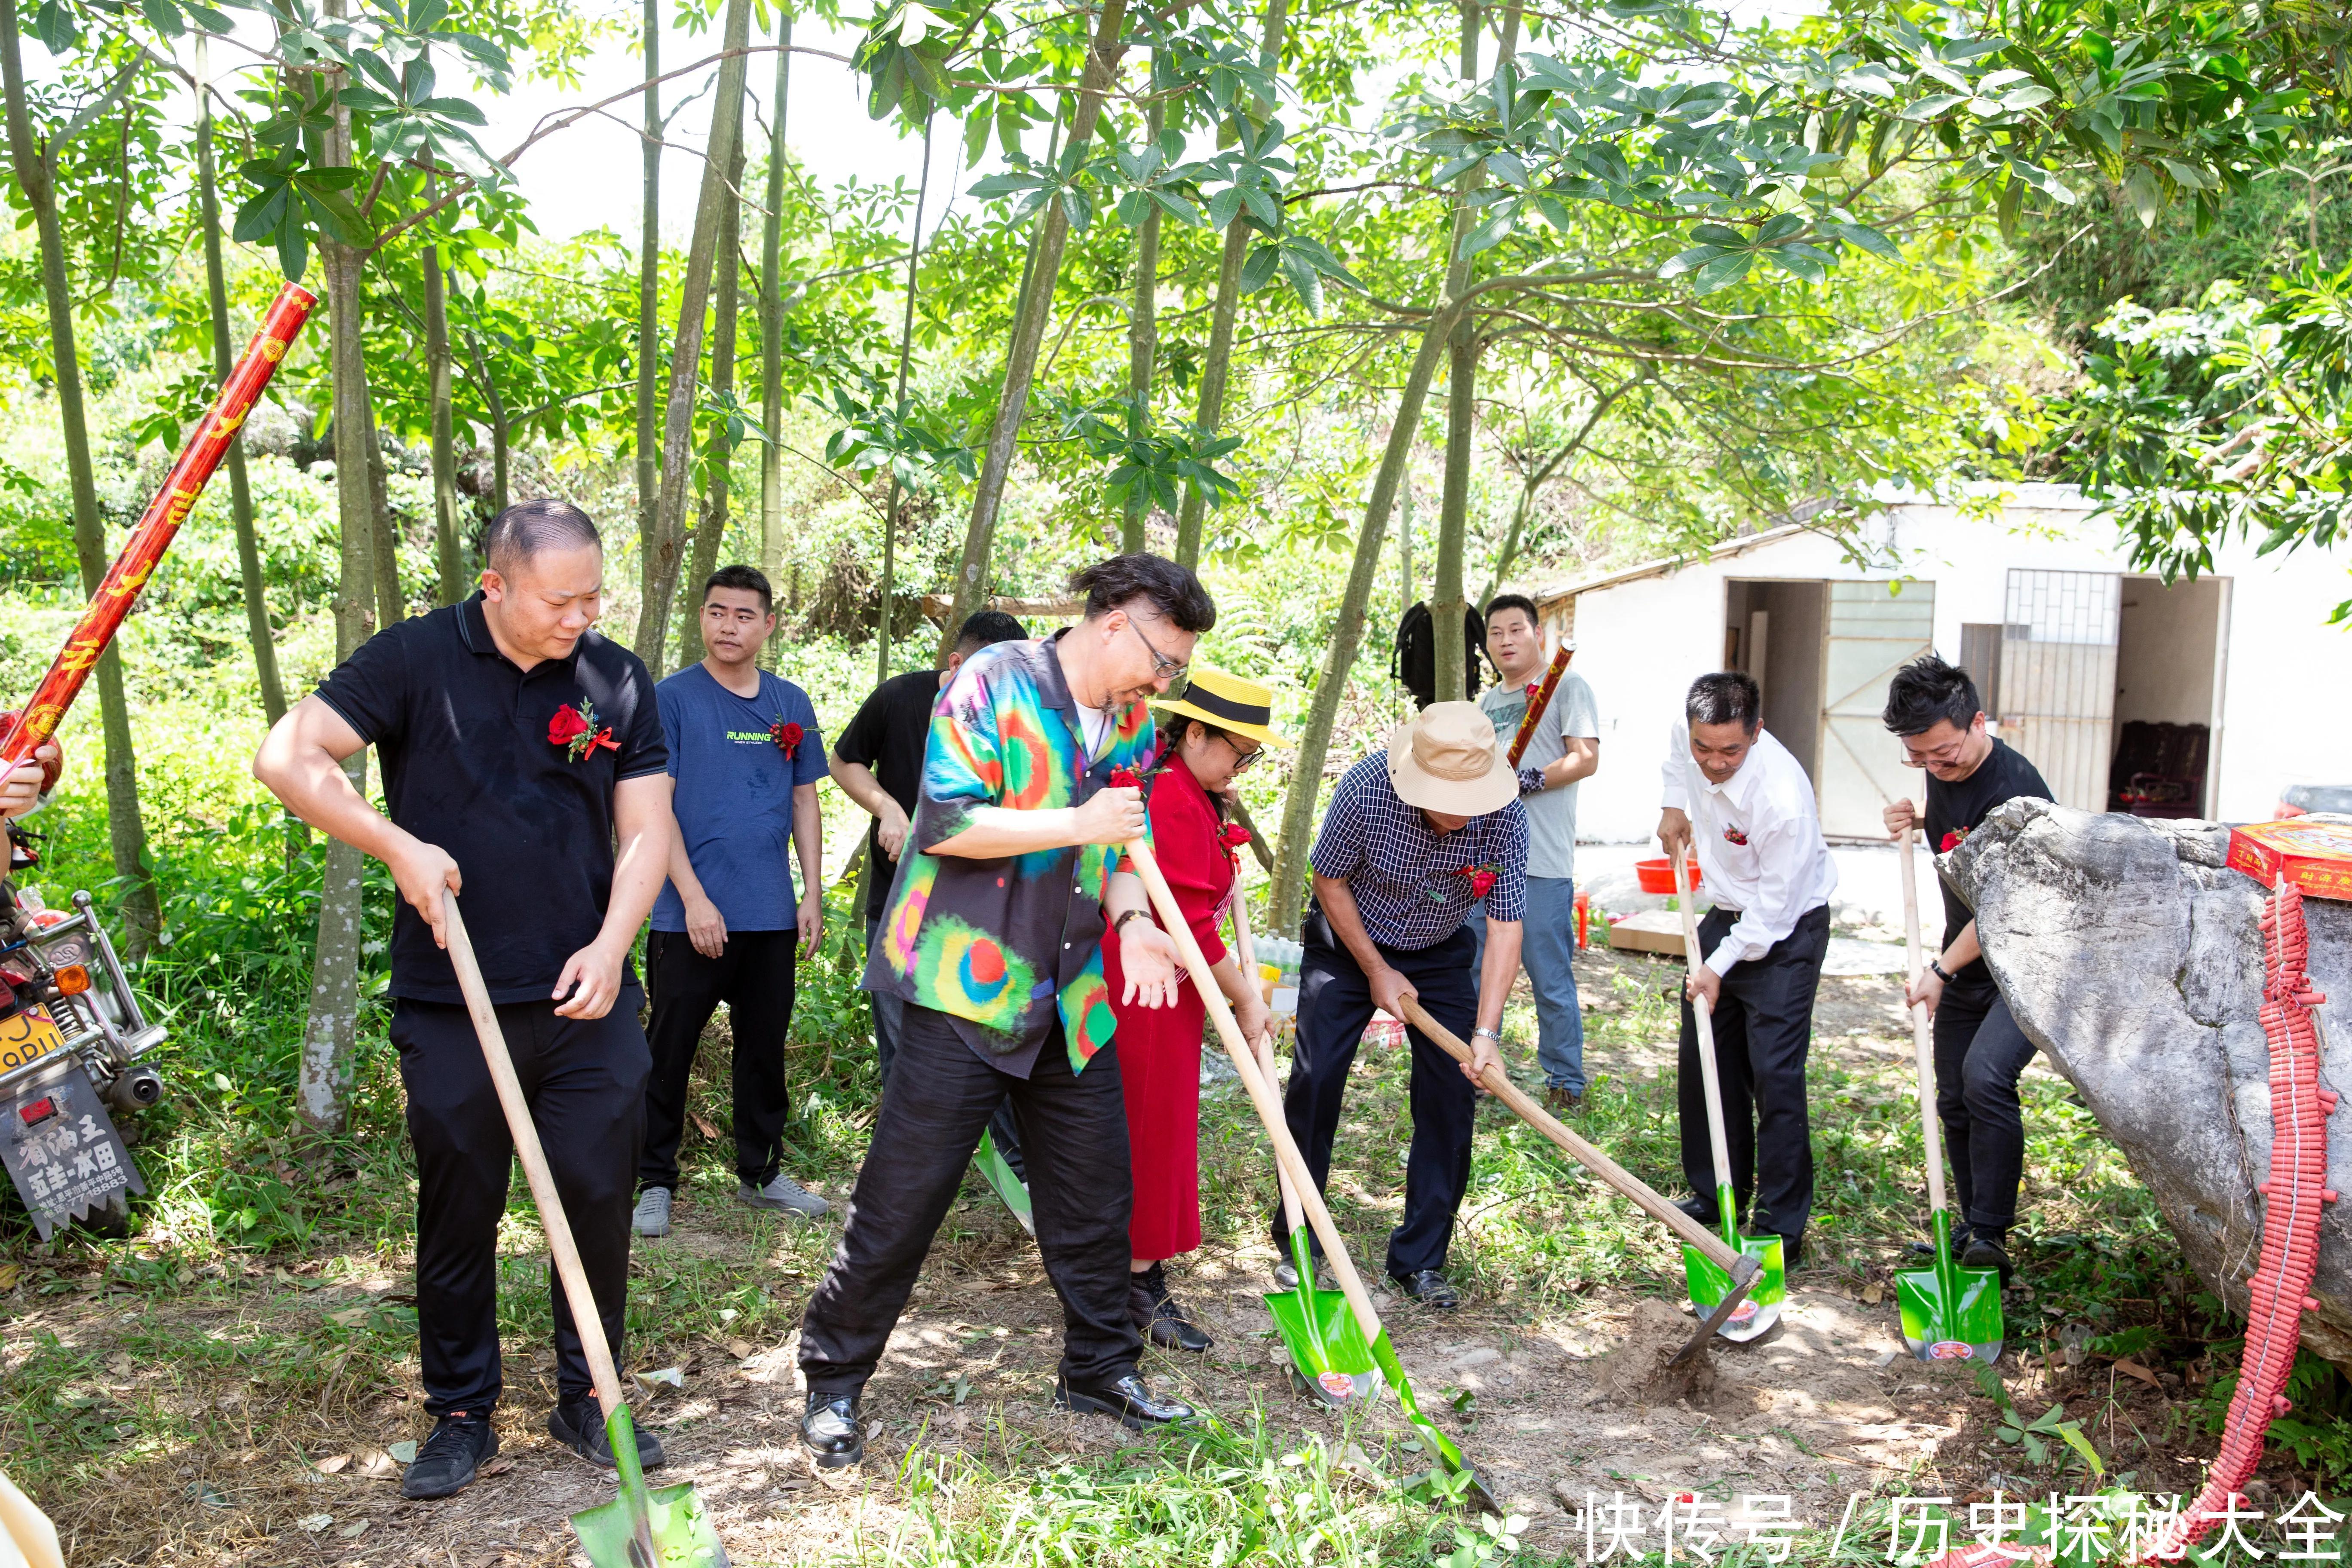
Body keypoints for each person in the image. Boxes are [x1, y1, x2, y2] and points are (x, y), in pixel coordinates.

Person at [251, 500, 674, 1501]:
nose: (581, 615)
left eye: (593, 595)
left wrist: (614, 946)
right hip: (454, 998)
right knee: (458, 1208)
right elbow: (287, 756)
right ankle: (459, 1411)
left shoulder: (614, 677)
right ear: (495, 584)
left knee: (597, 1197)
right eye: (559, 598)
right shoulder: (410, 661)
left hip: (585, 996)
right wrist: (394, 844)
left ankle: (589, 1394)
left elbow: (648, 829)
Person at [795, 554, 1210, 1469]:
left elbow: (1122, 846)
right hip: (964, 984)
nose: (1163, 679)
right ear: (1113, 624)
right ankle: (832, 1382)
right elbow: (946, 822)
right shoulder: (996, 679)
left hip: (1071, 992)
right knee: (904, 1199)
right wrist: (1077, 824)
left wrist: (1136, 923)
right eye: (1162, 657)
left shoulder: (1135, 720)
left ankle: (1100, 1369)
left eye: (1174, 667)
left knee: (1097, 1192)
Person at [1281, 701, 1525, 1311]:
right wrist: (1375, 969)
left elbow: (1504, 928)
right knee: (1315, 1080)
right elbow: (1329, 879)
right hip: (1348, 945)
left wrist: (1488, 1033)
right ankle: (1298, 1234)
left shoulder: (1507, 819)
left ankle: (1421, 1259)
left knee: (1452, 1091)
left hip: (1440, 951)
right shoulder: (1367, 789)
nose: (1462, 813)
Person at [631, 565, 831, 1241]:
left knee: (763, 1050)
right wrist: (692, 898)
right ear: (702, 618)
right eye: (717, 613)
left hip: (770, 912)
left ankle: (763, 1175)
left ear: (768, 625)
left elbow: (805, 799)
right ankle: (653, 1183)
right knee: (668, 1051)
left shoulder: (790, 703)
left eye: (744, 616)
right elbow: (654, 805)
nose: (728, 626)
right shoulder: (673, 699)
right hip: (685, 912)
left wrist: (812, 891)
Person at [1103, 666, 1286, 1352]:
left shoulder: (1192, 790)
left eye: (1250, 756)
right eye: (1237, 751)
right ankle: (1132, 1283)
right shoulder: (1173, 795)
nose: (1243, 766)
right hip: (1148, 986)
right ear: (1197, 733)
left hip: (1175, 988)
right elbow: (1186, 924)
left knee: (1166, 1127)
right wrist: (1245, 997)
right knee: (1151, 1129)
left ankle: (1140, 1270)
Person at [829, 609, 1029, 1174]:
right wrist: (888, 808)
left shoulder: (1016, 720)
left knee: (992, 1043)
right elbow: (844, 763)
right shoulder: (900, 699)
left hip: (981, 917)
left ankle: (1017, 1168)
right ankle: (906, 1175)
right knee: (905, 1053)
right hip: (898, 907)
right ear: (957, 663)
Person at [1657, 671, 1837, 1272]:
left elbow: (1773, 912)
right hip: (1726, 910)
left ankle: (1780, 1224)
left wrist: (1717, 967)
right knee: (1705, 1053)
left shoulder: (1782, 801)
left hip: (1785, 930)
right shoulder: (1694, 744)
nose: (1714, 762)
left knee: (1775, 1072)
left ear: (1757, 732)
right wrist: (1673, 810)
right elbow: (1675, 762)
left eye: (1730, 751)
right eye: (1703, 747)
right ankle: (1715, 1190)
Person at [1880, 654, 2051, 1283]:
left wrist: (1941, 971)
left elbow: (2006, 906)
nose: (1935, 768)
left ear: (1980, 722)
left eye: (1944, 754)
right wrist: (1918, 815)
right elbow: (1963, 830)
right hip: (1967, 958)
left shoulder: (2019, 793)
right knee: (1952, 1093)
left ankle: (1993, 1234)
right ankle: (1973, 1225)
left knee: (1985, 1079)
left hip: (2026, 965)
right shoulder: (1944, 762)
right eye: (1919, 758)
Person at [1473, 594, 1600, 1112]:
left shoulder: (1565, 686)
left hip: (1541, 862)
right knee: (1478, 973)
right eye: (1496, 632)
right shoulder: (1485, 703)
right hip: (1485, 860)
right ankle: (1479, 1072)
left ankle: (1566, 1082)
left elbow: (1586, 758)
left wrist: (1531, 778)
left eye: (1516, 630)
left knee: (1549, 976)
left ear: (1537, 634)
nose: (1506, 640)